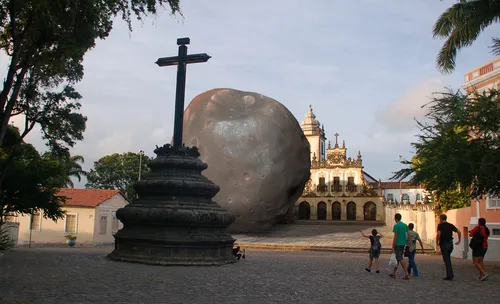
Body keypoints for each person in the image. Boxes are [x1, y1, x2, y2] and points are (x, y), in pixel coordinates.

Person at [436, 214, 461, 281]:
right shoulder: (450, 225)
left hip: (444, 244)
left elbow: (439, 233)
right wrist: (459, 240)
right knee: (448, 259)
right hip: (450, 244)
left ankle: (450, 275)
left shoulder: (440, 225)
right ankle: (449, 274)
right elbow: (459, 232)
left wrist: (437, 241)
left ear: (441, 219)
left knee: (447, 260)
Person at [390, 213, 412, 280]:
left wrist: (393, 246)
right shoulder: (405, 225)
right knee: (398, 258)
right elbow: (409, 235)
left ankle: (406, 273)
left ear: (395, 218)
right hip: (403, 243)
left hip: (398, 244)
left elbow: (395, 236)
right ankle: (394, 273)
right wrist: (410, 244)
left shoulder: (396, 226)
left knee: (400, 258)